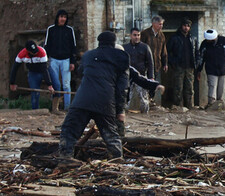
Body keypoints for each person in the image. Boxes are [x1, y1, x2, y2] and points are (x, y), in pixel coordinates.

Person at [58, 31, 129, 160]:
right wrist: (119, 110)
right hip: (105, 101)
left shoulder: (88, 55)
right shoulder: (120, 59)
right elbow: (121, 88)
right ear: (113, 43)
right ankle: (117, 160)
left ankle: (65, 158)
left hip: (82, 100)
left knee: (69, 130)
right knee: (111, 134)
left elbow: (80, 72)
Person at [44, 9, 77, 112]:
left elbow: (73, 47)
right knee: (55, 83)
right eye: (61, 17)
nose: (62, 19)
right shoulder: (51, 29)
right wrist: (45, 61)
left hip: (66, 60)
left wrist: (72, 61)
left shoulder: (69, 30)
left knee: (66, 84)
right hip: (53, 59)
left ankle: (67, 107)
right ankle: (55, 106)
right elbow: (47, 45)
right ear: (57, 18)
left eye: (64, 17)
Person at [9, 40, 54, 110]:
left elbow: (44, 70)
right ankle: (35, 110)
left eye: (35, 50)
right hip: (33, 72)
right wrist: (12, 83)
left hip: (45, 69)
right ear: (28, 51)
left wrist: (49, 84)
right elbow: (14, 69)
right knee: (35, 91)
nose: (35, 52)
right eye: (33, 52)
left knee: (56, 84)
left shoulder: (41, 51)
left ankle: (55, 108)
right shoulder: (21, 54)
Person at [197, 29, 225, 107]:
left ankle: (219, 104)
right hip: (211, 69)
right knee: (212, 86)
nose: (209, 42)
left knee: (221, 88)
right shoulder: (204, 44)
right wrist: (199, 70)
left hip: (223, 69)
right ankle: (211, 104)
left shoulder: (224, 41)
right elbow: (201, 58)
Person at [167, 18, 199, 109]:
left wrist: (196, 63)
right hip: (179, 67)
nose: (186, 28)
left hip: (189, 67)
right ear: (181, 26)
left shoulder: (193, 38)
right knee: (178, 88)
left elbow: (197, 52)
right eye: (184, 25)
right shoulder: (175, 38)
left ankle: (189, 107)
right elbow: (167, 52)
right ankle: (177, 107)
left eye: (188, 26)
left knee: (189, 89)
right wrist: (173, 62)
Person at [124, 27, 154, 113]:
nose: (137, 37)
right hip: (128, 76)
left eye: (138, 35)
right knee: (127, 95)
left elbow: (150, 63)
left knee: (143, 96)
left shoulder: (145, 47)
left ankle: (145, 112)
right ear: (130, 36)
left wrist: (151, 77)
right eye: (134, 35)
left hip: (141, 75)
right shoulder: (125, 48)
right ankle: (128, 112)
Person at [140, 15, 168, 105]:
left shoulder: (161, 35)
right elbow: (140, 48)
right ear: (153, 24)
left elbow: (163, 50)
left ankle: (151, 99)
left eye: (162, 24)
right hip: (145, 64)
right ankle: (143, 100)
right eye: (159, 24)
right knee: (144, 82)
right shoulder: (145, 34)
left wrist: (165, 63)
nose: (161, 26)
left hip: (156, 63)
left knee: (153, 82)